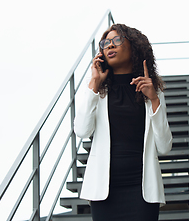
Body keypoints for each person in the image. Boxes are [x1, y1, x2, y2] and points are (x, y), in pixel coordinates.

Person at [74, 23, 173, 221]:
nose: (110, 46)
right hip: (104, 193)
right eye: (106, 43)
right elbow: (82, 130)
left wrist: (154, 100)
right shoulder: (98, 92)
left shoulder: (152, 92)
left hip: (142, 191)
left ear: (134, 47)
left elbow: (164, 147)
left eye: (117, 40)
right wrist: (94, 83)